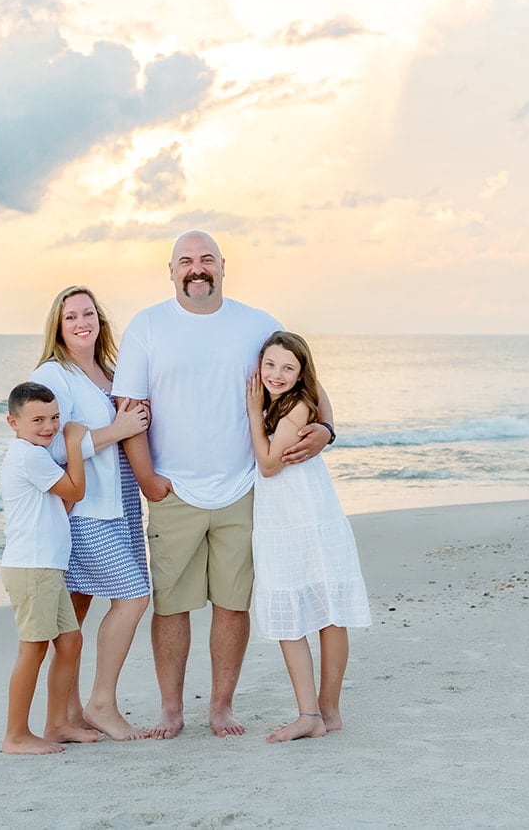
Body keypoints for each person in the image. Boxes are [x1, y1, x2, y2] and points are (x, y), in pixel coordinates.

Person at [112, 230, 335, 738]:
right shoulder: (147, 327)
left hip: (246, 488)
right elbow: (129, 410)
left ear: (223, 266)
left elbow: (312, 389)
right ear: (170, 270)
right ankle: (171, 710)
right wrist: (147, 479)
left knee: (232, 606)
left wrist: (325, 430)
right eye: (186, 261)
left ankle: (221, 707)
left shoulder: (258, 325)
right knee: (171, 606)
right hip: (175, 493)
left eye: (206, 259)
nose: (197, 268)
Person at [29, 285, 153, 741]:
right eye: (70, 317)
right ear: (58, 329)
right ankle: (102, 703)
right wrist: (116, 429)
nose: (82, 322)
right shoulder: (52, 375)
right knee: (134, 597)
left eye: (88, 313)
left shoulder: (110, 372)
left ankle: (64, 716)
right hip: (83, 509)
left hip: (120, 506)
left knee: (75, 614)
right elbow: (46, 443)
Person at [245, 331, 371, 743]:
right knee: (314, 608)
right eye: (270, 365)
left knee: (313, 611)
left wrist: (251, 412)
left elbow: (268, 464)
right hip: (293, 516)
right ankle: (323, 712)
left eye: (288, 367)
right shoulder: (286, 403)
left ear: (302, 374)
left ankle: (313, 713)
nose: (277, 374)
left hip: (301, 519)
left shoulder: (295, 408)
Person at [0, 381, 105, 755]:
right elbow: (76, 490)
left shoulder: (36, 456)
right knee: (33, 648)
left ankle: (58, 724)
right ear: (13, 422)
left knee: (70, 641)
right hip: (32, 567)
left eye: (56, 418)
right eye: (38, 419)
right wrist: (74, 442)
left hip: (47, 567)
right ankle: (15, 735)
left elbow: (63, 503)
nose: (49, 426)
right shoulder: (28, 455)